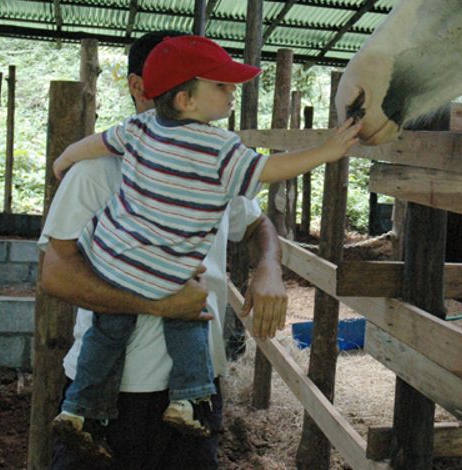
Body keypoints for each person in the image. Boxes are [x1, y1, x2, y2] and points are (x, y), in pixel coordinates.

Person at [39, 31, 286, 470]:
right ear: (142, 87)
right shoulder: (95, 171)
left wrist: (268, 268)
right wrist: (162, 304)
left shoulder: (213, 163)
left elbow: (256, 223)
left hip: (194, 388)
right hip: (108, 388)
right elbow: (55, 275)